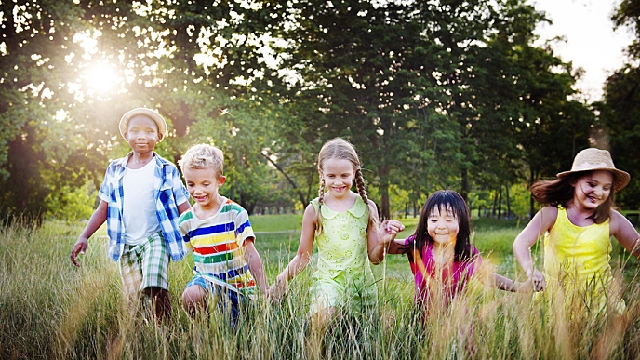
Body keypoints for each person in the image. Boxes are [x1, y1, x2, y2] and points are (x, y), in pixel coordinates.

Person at [70, 107, 191, 324]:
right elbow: (102, 210)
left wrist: (201, 233)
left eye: (148, 131)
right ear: (126, 136)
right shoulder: (115, 170)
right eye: (135, 131)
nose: (141, 136)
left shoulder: (167, 169)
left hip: (157, 238)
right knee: (133, 300)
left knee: (154, 283)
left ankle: (165, 332)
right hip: (125, 243)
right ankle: (140, 336)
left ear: (159, 137)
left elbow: (185, 208)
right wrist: (84, 235)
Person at [270, 138, 404, 327]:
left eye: (344, 175)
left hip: (361, 285)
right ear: (321, 173)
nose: (338, 182)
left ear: (354, 173)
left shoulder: (367, 207)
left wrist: (383, 242)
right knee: (325, 318)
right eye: (332, 176)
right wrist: (282, 279)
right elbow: (303, 256)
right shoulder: (315, 210)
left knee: (357, 339)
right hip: (328, 283)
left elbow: (375, 258)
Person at [513, 148, 640, 313]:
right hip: (556, 303)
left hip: (601, 304)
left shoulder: (612, 219)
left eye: (606, 187)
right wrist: (530, 268)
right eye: (592, 184)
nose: (599, 192)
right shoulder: (552, 214)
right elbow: (521, 242)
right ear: (574, 181)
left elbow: (637, 248)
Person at [383, 190, 530, 317]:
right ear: (426, 223)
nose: (441, 226)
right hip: (423, 325)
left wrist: (521, 287)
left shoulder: (467, 254)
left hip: (457, 326)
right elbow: (391, 247)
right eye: (434, 219)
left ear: (461, 223)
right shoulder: (419, 244)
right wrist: (388, 231)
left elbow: (489, 278)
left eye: (448, 219)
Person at [178, 143, 269, 327]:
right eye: (191, 184)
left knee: (234, 331)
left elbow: (250, 254)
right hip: (206, 281)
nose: (197, 190)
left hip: (236, 288)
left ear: (220, 181)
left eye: (205, 184)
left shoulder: (234, 213)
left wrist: (265, 289)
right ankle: (202, 335)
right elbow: (178, 252)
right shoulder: (186, 220)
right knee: (191, 295)